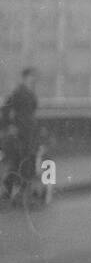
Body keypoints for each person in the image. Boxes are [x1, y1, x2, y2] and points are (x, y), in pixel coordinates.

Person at [1, 67, 39, 196]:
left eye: (34, 77)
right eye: (30, 76)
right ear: (24, 78)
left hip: (29, 131)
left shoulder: (30, 92)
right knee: (21, 159)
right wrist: (10, 126)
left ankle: (17, 188)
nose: (33, 79)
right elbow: (5, 108)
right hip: (20, 132)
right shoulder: (19, 92)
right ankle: (14, 187)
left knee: (26, 160)